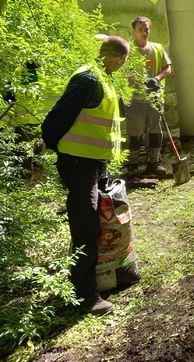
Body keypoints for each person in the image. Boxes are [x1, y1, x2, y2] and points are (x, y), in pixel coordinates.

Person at [41, 35, 130, 315]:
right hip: (79, 163)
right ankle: (85, 296)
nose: (121, 65)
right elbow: (57, 116)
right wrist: (52, 144)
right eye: (122, 61)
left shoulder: (102, 77)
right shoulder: (90, 79)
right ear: (114, 57)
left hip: (92, 162)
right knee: (85, 224)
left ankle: (99, 278)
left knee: (94, 221)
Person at [126, 16, 172, 176]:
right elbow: (122, 71)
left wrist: (156, 79)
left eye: (147, 29)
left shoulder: (157, 48)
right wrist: (136, 81)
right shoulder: (128, 50)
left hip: (154, 99)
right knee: (135, 133)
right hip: (135, 100)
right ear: (134, 30)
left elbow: (167, 68)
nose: (144, 32)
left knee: (155, 132)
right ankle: (133, 164)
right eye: (141, 29)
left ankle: (154, 162)